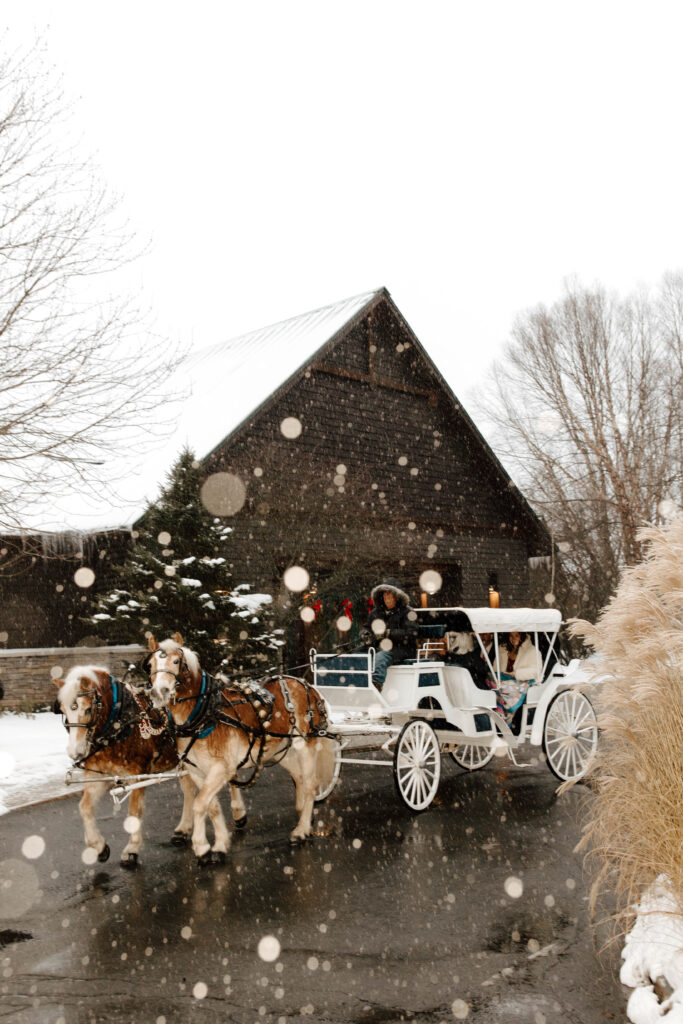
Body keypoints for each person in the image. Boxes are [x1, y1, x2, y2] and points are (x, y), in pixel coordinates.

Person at [362, 577, 417, 691]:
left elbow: (412, 633)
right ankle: (359, 684)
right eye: (384, 595)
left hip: (401, 649)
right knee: (358, 654)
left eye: (389, 595)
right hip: (378, 647)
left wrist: (389, 633)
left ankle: (375, 686)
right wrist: (365, 634)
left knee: (381, 656)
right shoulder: (376, 612)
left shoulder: (408, 612)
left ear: (396, 597)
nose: (386, 598)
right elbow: (366, 627)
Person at [492, 630, 540, 720]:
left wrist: (516, 674)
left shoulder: (532, 651)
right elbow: (495, 668)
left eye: (517, 635)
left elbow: (536, 671)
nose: (513, 639)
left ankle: (504, 713)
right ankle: (500, 711)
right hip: (503, 680)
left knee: (502, 688)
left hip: (521, 682)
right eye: (511, 636)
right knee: (491, 682)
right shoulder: (502, 649)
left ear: (522, 636)